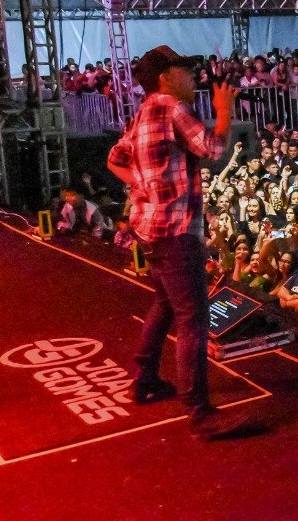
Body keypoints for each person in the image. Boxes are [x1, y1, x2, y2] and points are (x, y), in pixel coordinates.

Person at [106, 45, 253, 439]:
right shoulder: (172, 107)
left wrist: (144, 187)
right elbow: (214, 150)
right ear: (165, 77)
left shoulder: (142, 112)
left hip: (149, 229)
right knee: (193, 318)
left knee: (165, 303)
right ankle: (200, 412)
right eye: (184, 70)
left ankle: (144, 379)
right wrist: (223, 111)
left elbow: (114, 159)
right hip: (175, 232)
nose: (192, 77)